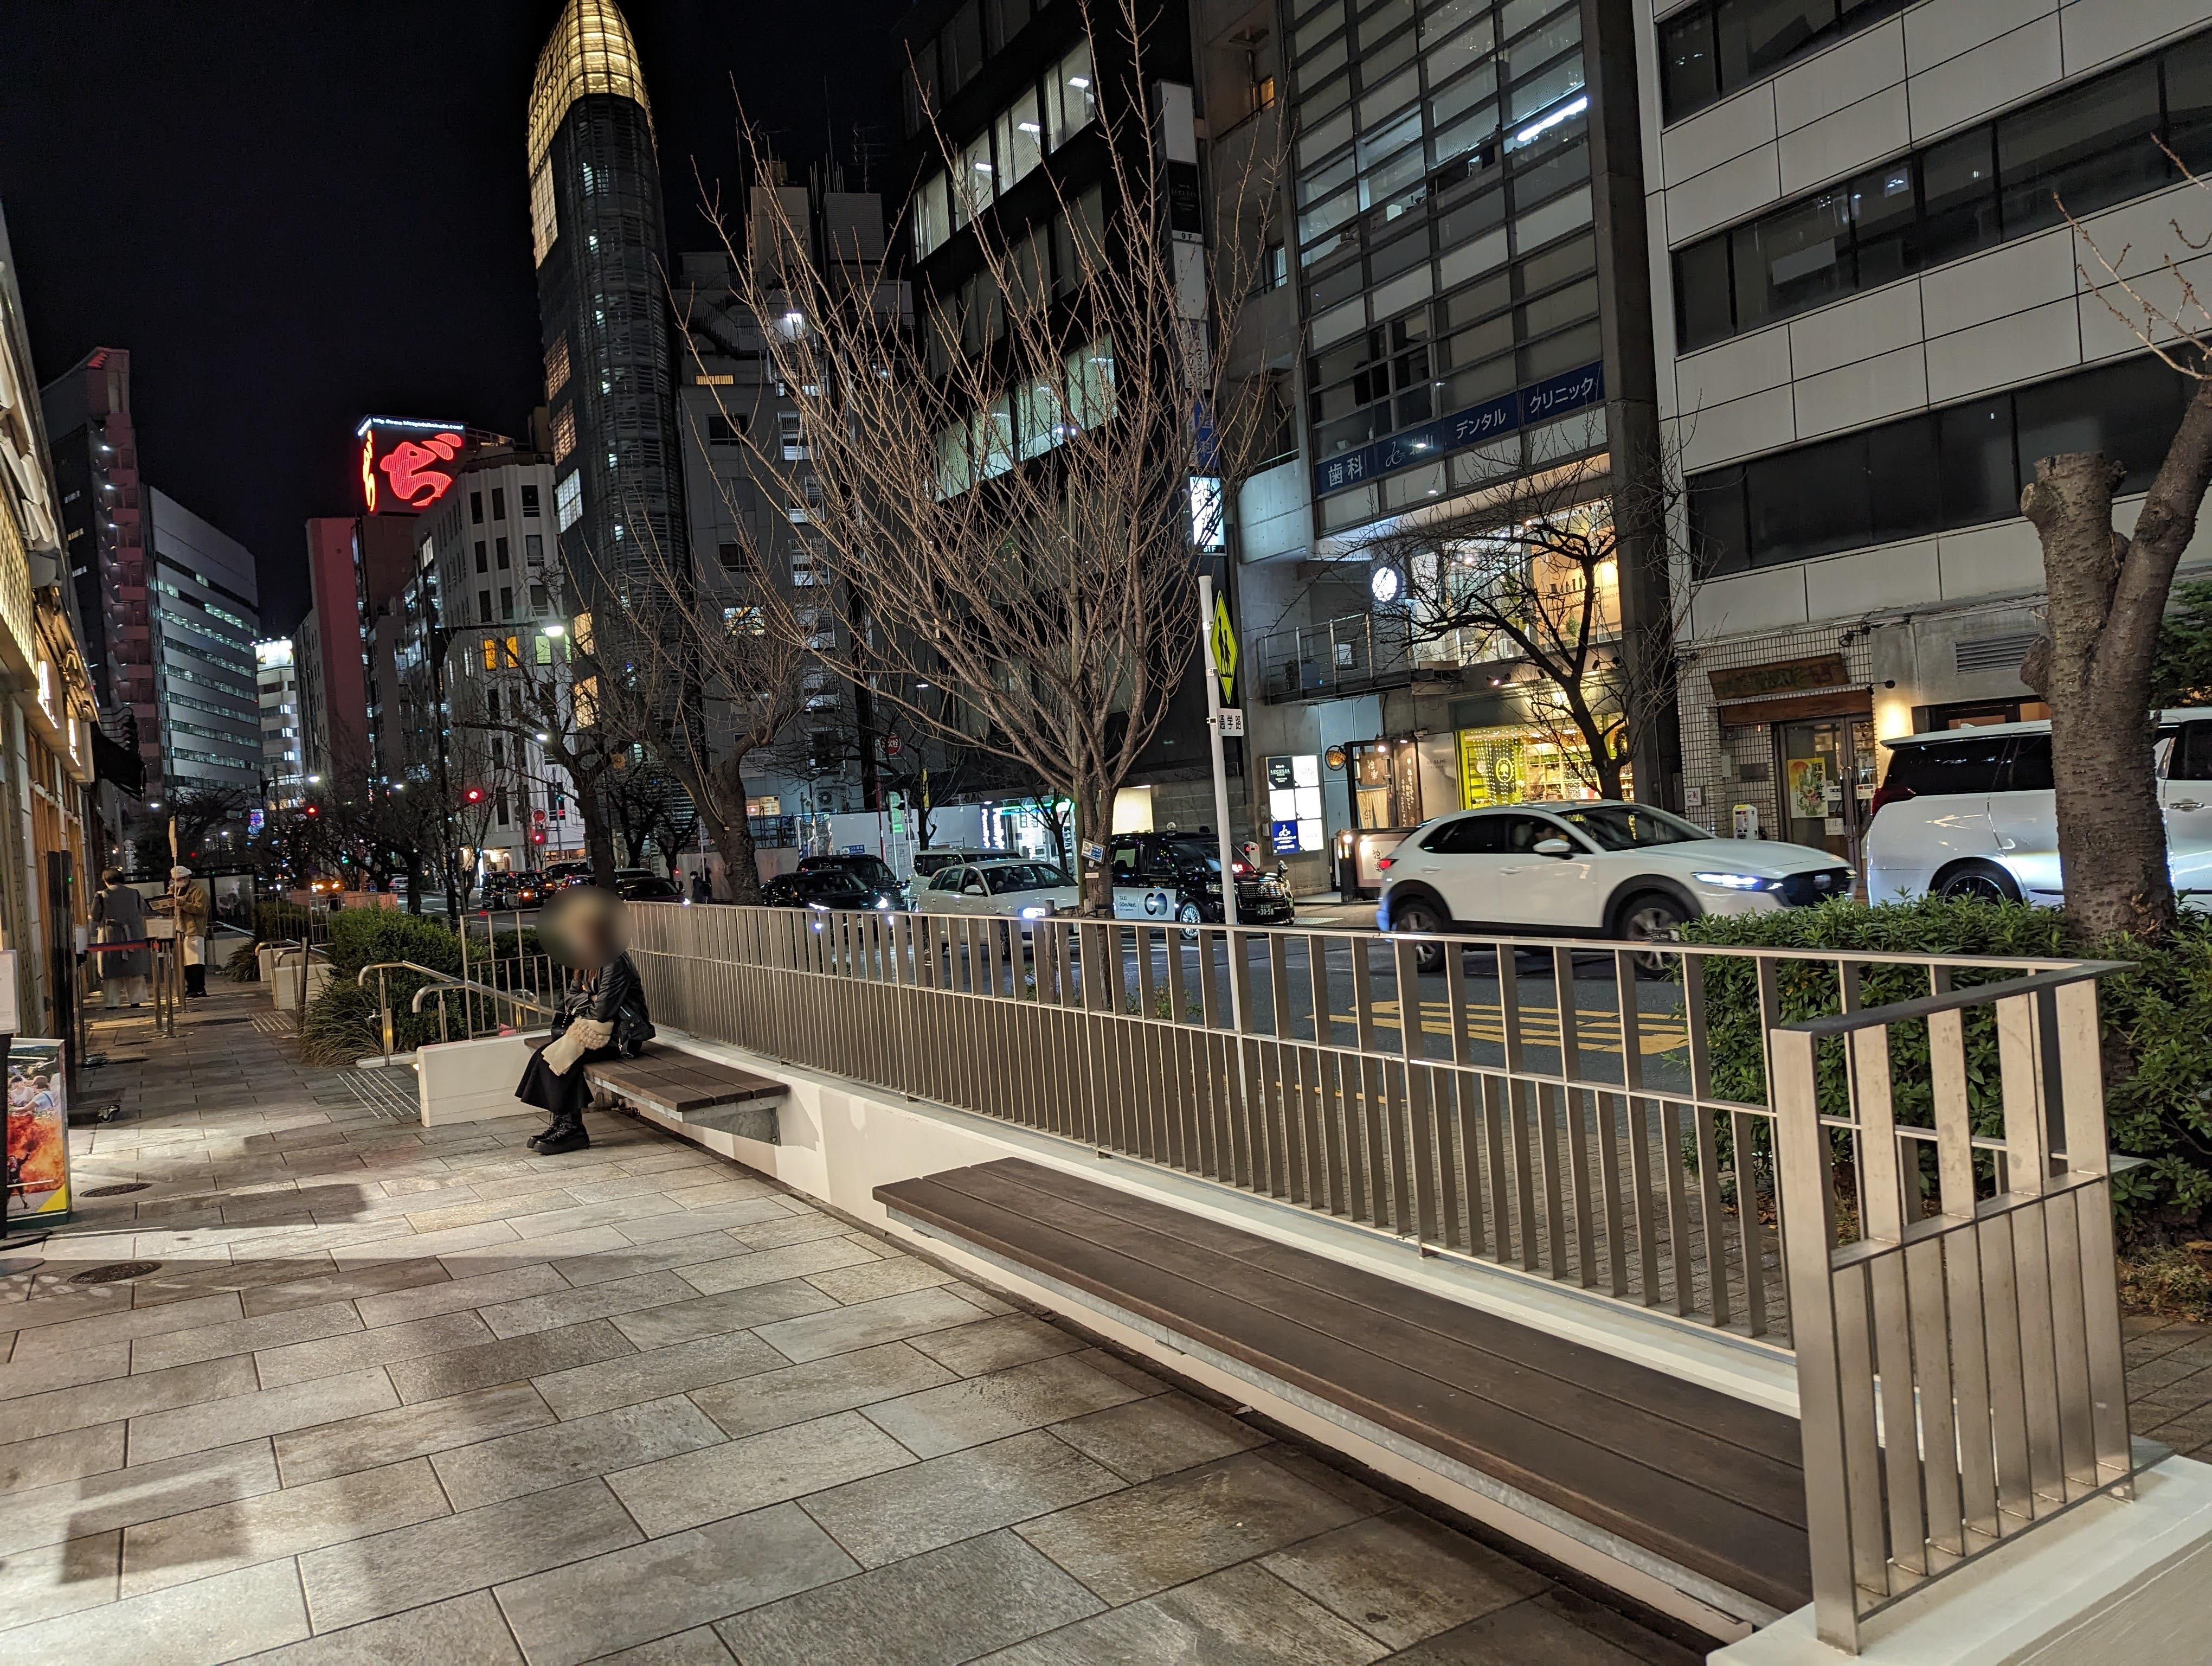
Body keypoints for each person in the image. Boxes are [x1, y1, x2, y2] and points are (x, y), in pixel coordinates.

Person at [514, 888, 653, 1155]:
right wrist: (589, 997)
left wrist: (586, 999)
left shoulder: (615, 962)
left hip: (621, 1038)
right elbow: (568, 999)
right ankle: (565, 1123)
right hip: (589, 1033)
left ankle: (571, 1129)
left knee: (561, 1059)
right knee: (547, 1056)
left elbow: (603, 1011)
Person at [91, 869, 149, 1008]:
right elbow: (143, 910)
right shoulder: (134, 893)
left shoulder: (101, 895)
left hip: (110, 936)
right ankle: (136, 1000)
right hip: (133, 935)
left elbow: (95, 916)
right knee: (134, 969)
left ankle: (112, 1002)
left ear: (106, 880)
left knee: (111, 971)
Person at [169, 866, 210, 997]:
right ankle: (190, 987)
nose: (178, 881)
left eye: (180, 879)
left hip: (194, 929)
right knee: (183, 963)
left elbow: (200, 909)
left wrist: (183, 904)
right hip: (178, 930)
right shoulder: (173, 891)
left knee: (196, 962)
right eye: (176, 879)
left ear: (187, 878)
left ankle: (198, 988)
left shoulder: (199, 891)